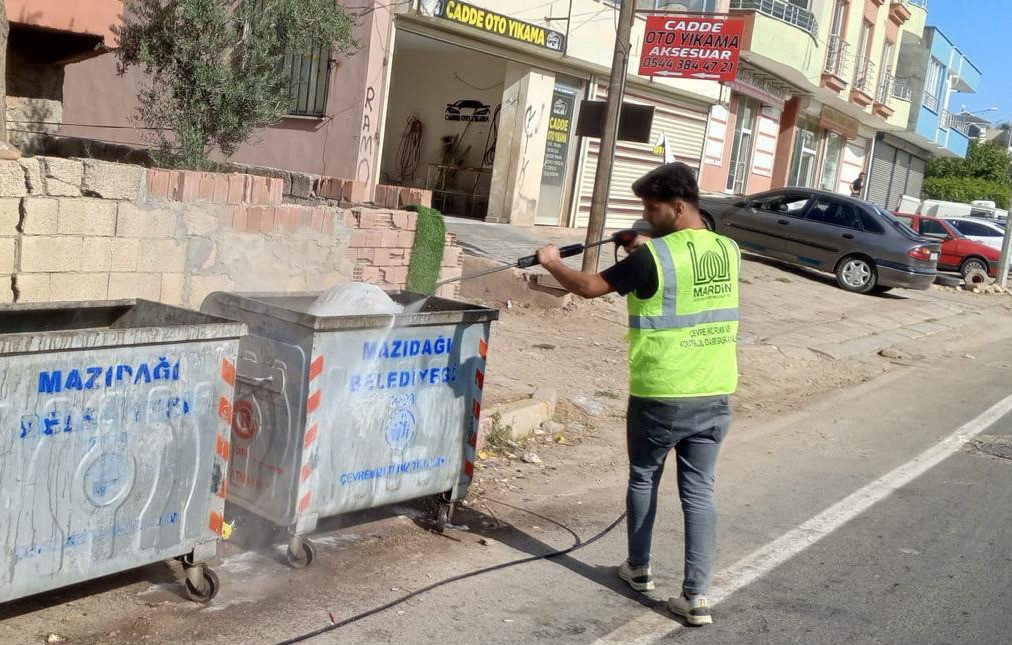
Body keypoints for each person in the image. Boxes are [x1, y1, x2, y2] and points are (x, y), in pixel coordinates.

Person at [535, 162, 740, 627]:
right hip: (715, 391)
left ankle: (639, 568)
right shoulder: (728, 250)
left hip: (663, 392)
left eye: (652, 208)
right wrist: (640, 245)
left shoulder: (653, 259)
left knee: (644, 476)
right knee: (700, 493)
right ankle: (696, 596)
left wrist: (552, 261)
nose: (646, 216)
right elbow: (684, 263)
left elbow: (590, 288)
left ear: (678, 206)